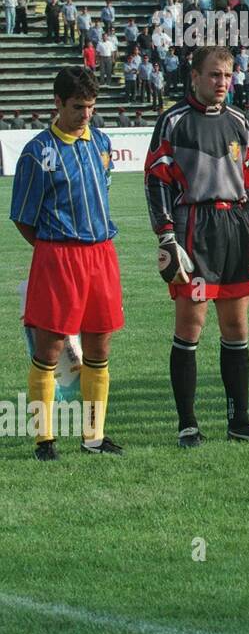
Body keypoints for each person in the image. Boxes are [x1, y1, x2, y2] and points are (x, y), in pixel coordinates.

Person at [145, 45, 249, 446]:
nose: (222, 82)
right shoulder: (173, 121)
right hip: (195, 229)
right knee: (191, 326)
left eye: (227, 75)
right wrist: (166, 236)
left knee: (236, 325)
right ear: (196, 77)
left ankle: (240, 419)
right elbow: (156, 180)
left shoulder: (239, 120)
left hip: (235, 227)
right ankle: (188, 424)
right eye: (214, 75)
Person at [9, 67, 125, 458]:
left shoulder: (102, 142)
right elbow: (24, 218)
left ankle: (93, 437)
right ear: (57, 104)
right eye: (78, 107)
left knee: (99, 344)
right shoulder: (38, 152)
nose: (86, 115)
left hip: (101, 255)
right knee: (51, 349)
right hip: (58, 256)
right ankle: (44, 439)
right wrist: (53, 250)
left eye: (91, 107)